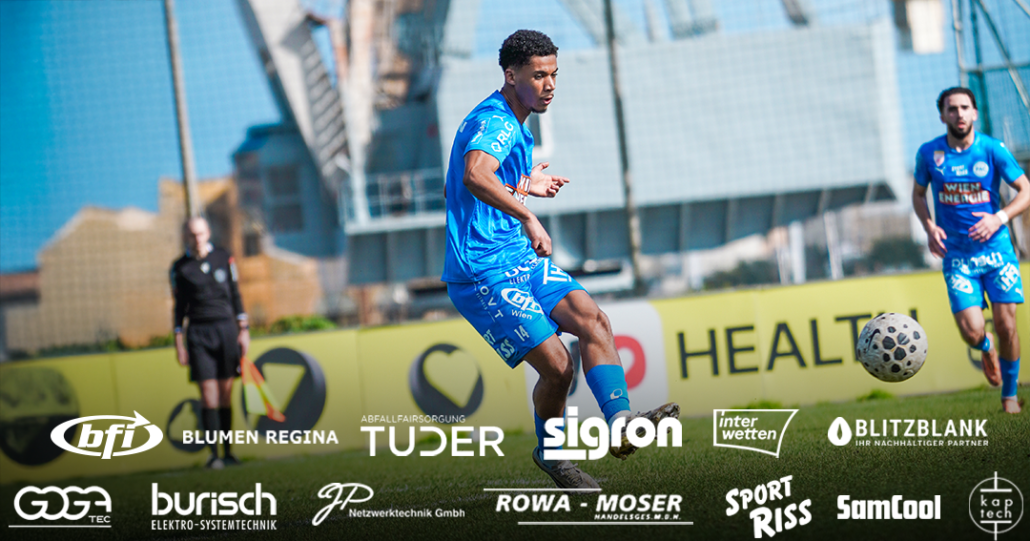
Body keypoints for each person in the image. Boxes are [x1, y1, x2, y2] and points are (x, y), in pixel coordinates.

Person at [442, 29, 679, 489]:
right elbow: (473, 175)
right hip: (482, 271)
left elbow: (476, 184)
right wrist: (529, 216)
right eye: (538, 75)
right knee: (558, 367)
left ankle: (622, 424)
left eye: (553, 74)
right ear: (511, 75)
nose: (549, 84)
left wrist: (522, 185)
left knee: (593, 320)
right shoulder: (497, 121)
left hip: (517, 258)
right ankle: (552, 456)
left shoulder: (516, 122)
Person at [912, 87, 1028, 414]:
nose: (959, 114)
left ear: (974, 113)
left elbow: (1026, 190)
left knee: (1007, 326)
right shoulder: (929, 153)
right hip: (958, 257)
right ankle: (986, 347)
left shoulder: (992, 149)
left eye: (965, 107)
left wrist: (999, 218)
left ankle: (1009, 397)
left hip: (998, 254)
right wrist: (929, 226)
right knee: (972, 332)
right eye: (952, 109)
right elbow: (918, 194)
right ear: (942, 116)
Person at [171, 216, 251, 467]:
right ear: (185, 236)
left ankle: (228, 453)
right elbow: (178, 307)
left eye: (201, 233)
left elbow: (236, 294)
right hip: (198, 334)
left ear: (208, 233)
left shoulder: (224, 258)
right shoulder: (180, 268)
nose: (197, 239)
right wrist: (178, 341)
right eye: (192, 234)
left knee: (226, 393)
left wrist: (243, 329)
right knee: (209, 395)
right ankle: (213, 455)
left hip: (226, 330)